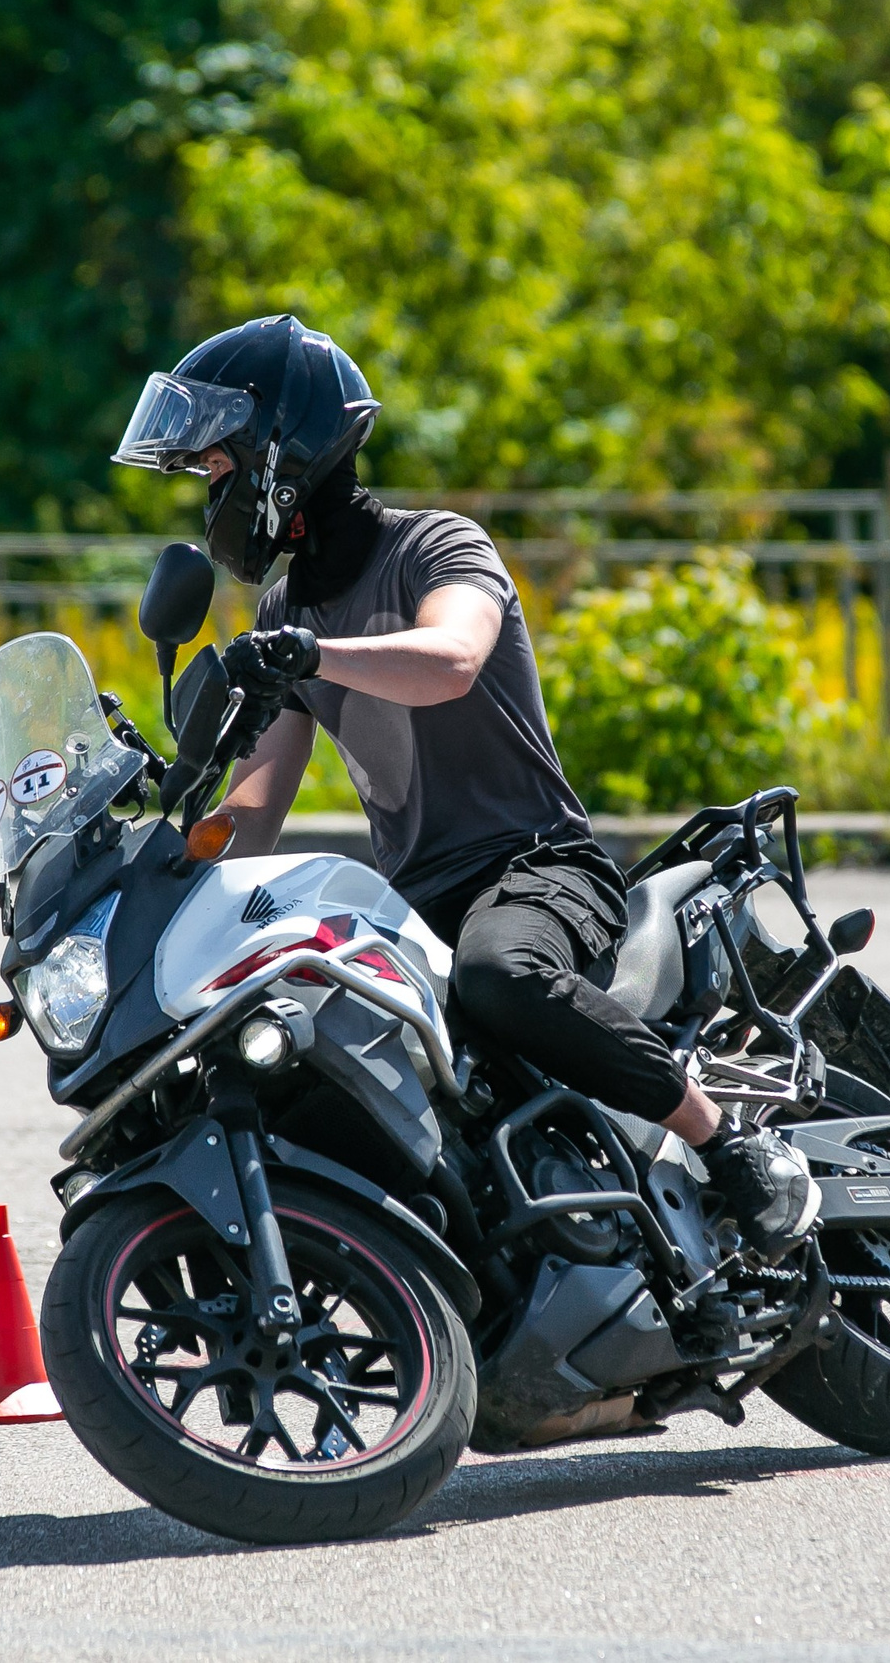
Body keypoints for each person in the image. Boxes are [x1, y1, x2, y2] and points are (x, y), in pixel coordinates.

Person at [112, 314, 813, 1249]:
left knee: (500, 977)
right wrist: (160, 848)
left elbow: (450, 658)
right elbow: (259, 804)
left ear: (279, 453)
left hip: (536, 866)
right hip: (417, 902)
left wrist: (314, 653)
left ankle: (726, 1144)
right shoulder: (286, 609)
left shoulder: (436, 546)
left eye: (215, 468)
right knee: (305, 1045)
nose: (210, 495)